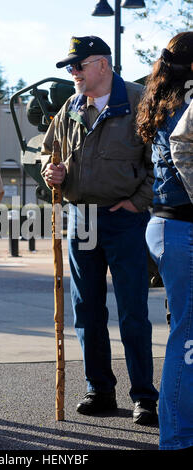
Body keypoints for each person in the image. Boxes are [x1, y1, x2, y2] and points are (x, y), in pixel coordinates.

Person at [41, 36, 159, 424]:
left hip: (126, 219)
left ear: (103, 65)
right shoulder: (71, 106)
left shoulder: (142, 102)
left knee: (132, 311)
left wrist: (137, 202)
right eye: (70, 67)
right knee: (87, 308)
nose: (72, 73)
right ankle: (99, 390)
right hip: (83, 218)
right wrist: (52, 174)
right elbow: (50, 155)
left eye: (78, 65)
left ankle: (144, 396)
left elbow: (160, 162)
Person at [137, 32, 193, 450]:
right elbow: (182, 150)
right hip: (182, 229)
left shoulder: (165, 99)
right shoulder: (187, 103)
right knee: (188, 337)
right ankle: (177, 438)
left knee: (184, 330)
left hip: (165, 226)